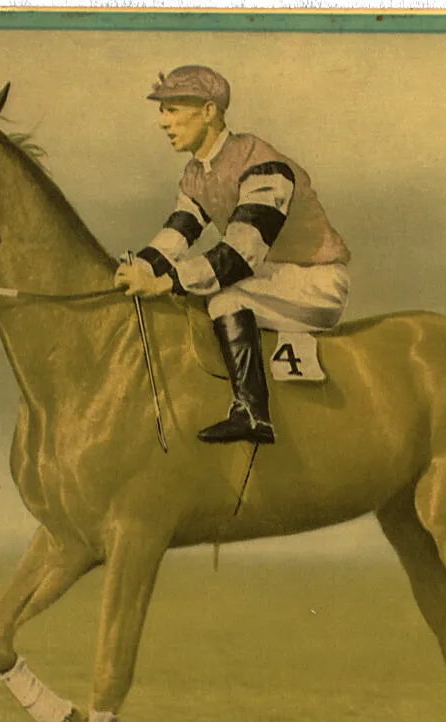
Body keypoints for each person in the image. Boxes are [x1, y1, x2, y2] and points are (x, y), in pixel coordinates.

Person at [114, 65, 351, 445]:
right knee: (203, 295)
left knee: (225, 297)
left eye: (173, 109)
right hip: (273, 279)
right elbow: (177, 235)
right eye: (162, 110)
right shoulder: (196, 174)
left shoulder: (263, 165)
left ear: (209, 111)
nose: (164, 122)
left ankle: (254, 415)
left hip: (315, 279)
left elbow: (240, 256)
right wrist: (136, 267)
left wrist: (165, 282)